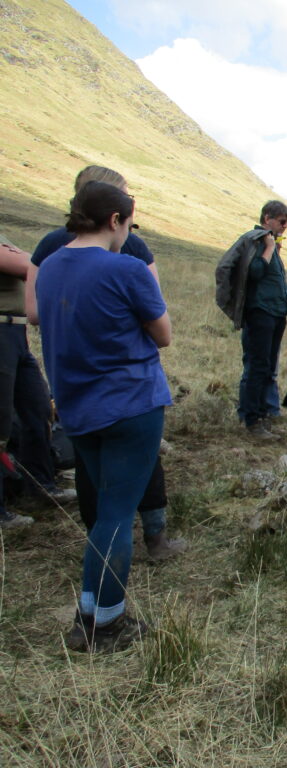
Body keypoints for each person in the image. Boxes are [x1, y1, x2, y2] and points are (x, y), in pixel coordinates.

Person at [35, 180, 172, 652]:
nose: (128, 232)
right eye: (129, 223)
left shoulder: (49, 267)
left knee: (102, 514)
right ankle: (108, 627)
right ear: (116, 219)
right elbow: (164, 333)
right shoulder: (127, 269)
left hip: (77, 410)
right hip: (131, 404)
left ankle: (87, 615)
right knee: (116, 515)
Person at [0, 235, 74, 529]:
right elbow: (26, 265)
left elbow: (29, 263)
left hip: (15, 333)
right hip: (1, 329)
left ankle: (40, 485)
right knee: (1, 423)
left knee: (38, 408)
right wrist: (21, 255)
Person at [219, 201, 287, 440]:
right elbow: (256, 272)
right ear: (267, 218)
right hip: (260, 312)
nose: (284, 227)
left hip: (276, 313)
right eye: (282, 222)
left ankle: (262, 416)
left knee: (268, 366)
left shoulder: (270, 242)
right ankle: (251, 420)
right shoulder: (256, 239)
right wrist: (270, 248)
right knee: (257, 366)